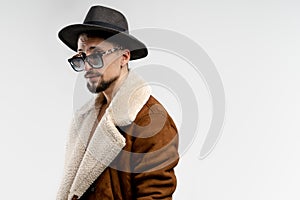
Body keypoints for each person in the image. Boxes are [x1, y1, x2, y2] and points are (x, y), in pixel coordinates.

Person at [56, 5, 179, 200]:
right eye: (81, 56)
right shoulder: (86, 117)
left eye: (95, 55)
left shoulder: (151, 121)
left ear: (124, 56)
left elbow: (155, 195)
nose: (87, 65)